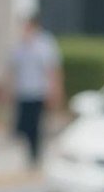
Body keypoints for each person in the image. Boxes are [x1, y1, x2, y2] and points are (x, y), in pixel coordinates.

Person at [8, 14, 63, 167]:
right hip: (23, 92)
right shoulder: (19, 47)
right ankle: (30, 153)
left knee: (36, 126)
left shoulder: (45, 45)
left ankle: (36, 155)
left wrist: (54, 91)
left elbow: (52, 69)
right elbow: (13, 70)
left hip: (39, 92)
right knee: (24, 126)